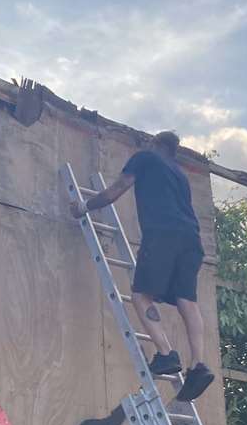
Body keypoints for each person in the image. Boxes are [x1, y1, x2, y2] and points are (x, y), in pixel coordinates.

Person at [69, 130, 214, 402]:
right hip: (191, 241)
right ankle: (198, 365)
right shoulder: (179, 174)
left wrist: (85, 207)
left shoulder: (145, 157)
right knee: (187, 301)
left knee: (140, 295)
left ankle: (165, 353)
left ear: (155, 143)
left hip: (162, 236)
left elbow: (117, 189)